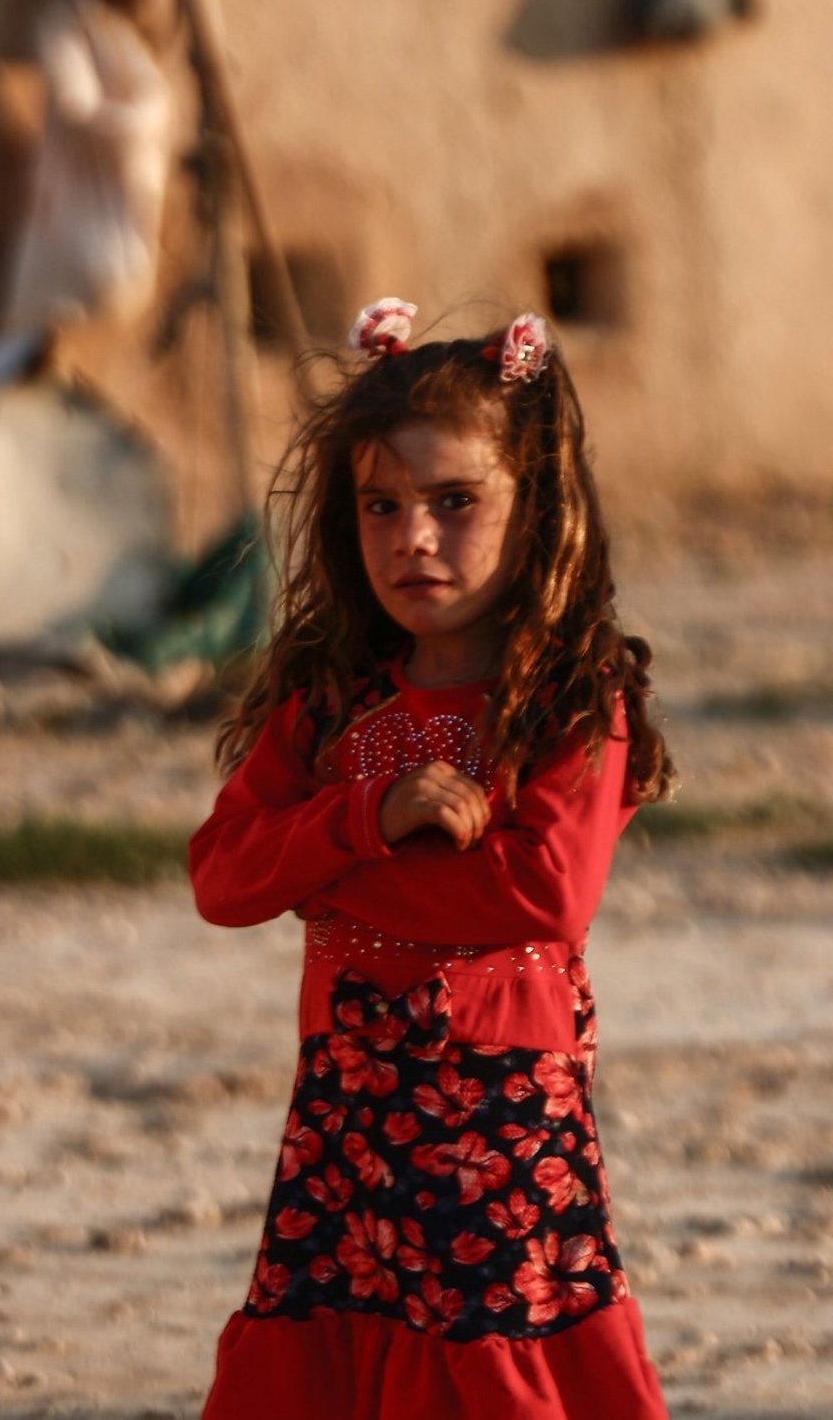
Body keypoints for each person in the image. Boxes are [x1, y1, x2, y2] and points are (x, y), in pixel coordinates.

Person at [188, 298, 675, 1419]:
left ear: (535, 504)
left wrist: (318, 873)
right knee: (332, 1346)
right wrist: (365, 816)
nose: (411, 536)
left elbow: (540, 894)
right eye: (381, 504)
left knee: (492, 1355)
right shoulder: (330, 701)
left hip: (500, 1112)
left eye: (455, 501)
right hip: (344, 1108)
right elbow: (221, 875)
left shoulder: (563, 697)